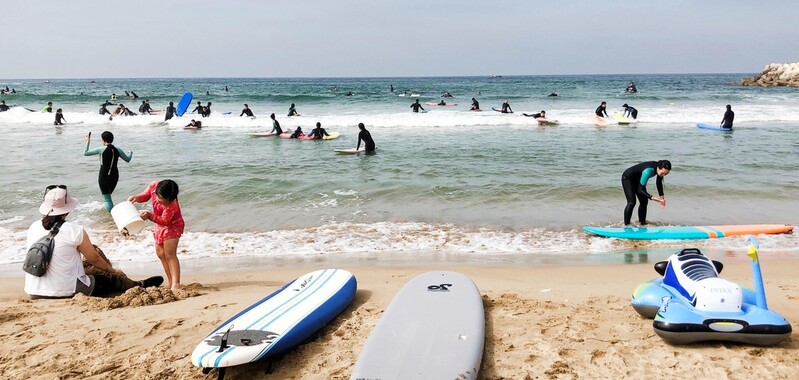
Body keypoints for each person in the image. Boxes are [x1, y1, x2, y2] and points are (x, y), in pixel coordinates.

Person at [25, 185, 162, 299]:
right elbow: (94, 259)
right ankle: (136, 284)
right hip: (66, 291)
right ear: (67, 210)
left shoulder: (33, 227)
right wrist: (113, 271)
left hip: (33, 291)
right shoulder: (75, 230)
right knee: (108, 280)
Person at [128, 180, 184, 291]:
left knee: (170, 254)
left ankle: (176, 284)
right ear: (157, 192)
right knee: (160, 253)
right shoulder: (154, 186)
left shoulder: (171, 206)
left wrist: (149, 216)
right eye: (161, 199)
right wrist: (137, 198)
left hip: (172, 226)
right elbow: (146, 195)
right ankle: (170, 281)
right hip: (159, 225)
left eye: (166, 201)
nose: (163, 203)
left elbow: (165, 221)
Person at [84, 131, 133, 211]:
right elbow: (128, 159)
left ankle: (112, 218)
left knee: (107, 199)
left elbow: (86, 153)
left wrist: (88, 141)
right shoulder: (118, 150)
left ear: (103, 140)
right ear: (112, 139)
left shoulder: (101, 149)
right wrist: (130, 153)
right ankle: (112, 215)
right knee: (108, 197)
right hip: (115, 176)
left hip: (104, 176)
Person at [621, 160, 671, 226]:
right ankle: (626, 225)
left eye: (666, 174)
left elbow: (659, 183)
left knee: (644, 201)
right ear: (658, 168)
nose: (663, 175)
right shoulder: (648, 171)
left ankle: (642, 223)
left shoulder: (659, 169)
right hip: (628, 178)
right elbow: (641, 190)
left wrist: (662, 199)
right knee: (631, 202)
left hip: (638, 179)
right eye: (662, 173)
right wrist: (652, 197)